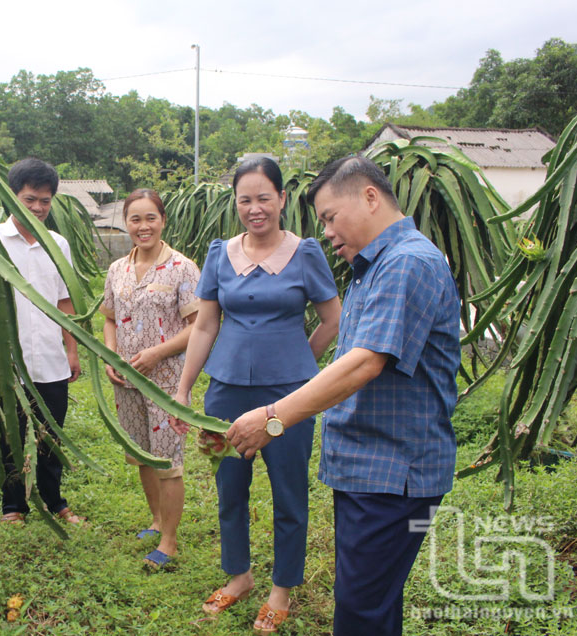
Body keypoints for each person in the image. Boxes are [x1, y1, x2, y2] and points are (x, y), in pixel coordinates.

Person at [223, 155, 461, 635]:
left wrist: (274, 417)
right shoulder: (374, 266)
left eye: (332, 217)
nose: (328, 232)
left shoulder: (406, 263)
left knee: (359, 608)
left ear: (370, 197)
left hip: (393, 475)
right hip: (371, 470)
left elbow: (363, 362)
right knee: (371, 599)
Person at [171, 157, 341, 633]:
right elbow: (206, 324)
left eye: (264, 197)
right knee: (230, 489)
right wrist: (184, 389)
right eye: (245, 199)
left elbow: (333, 319)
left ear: (283, 199)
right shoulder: (219, 254)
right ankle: (239, 576)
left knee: (289, 494)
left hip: (288, 400)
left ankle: (281, 590)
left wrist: (300, 367)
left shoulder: (306, 253)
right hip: (225, 393)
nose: (255, 208)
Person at [99, 189, 201, 569]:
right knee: (141, 454)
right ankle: (157, 521)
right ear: (126, 223)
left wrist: (157, 353)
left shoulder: (182, 268)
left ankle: (170, 543)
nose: (143, 227)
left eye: (150, 218)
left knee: (167, 460)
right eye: (135, 219)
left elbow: (200, 326)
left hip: (167, 381)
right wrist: (111, 355)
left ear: (163, 220)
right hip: (125, 381)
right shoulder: (117, 269)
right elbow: (110, 318)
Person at [0, 157, 84, 526]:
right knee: (10, 434)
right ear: (12, 196)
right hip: (7, 359)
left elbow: (64, 298)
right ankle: (13, 506)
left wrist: (72, 347)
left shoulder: (58, 244)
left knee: (51, 433)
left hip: (49, 356)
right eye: (29, 198)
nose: (37, 208)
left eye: (45, 201)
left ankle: (54, 502)